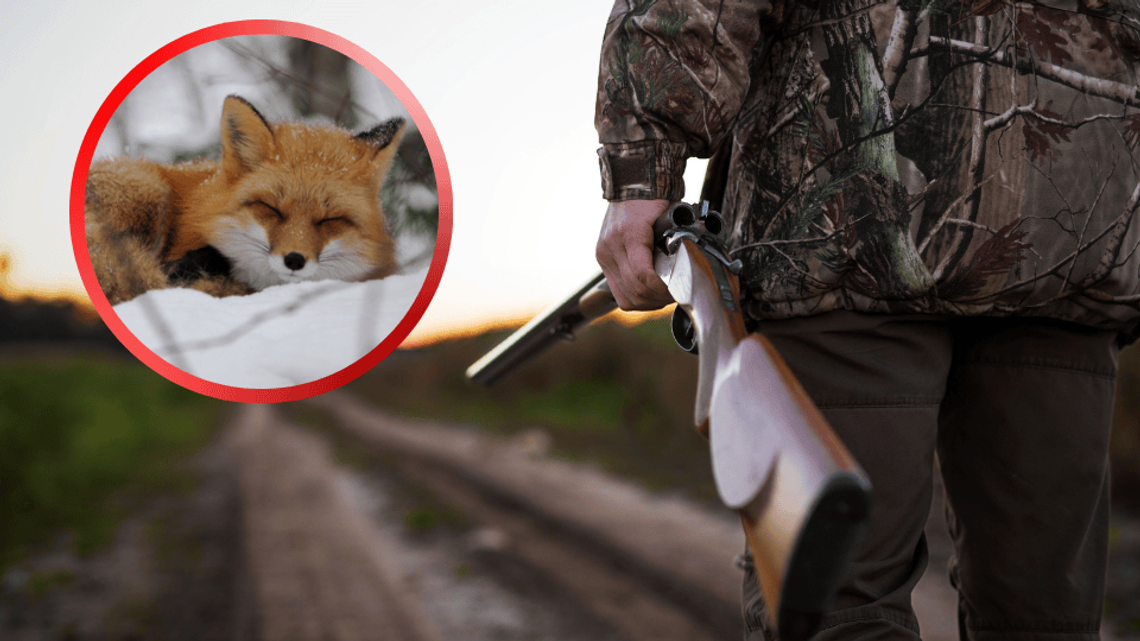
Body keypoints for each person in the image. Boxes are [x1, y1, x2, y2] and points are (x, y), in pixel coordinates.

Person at [593, 1, 1140, 639]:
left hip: (844, 229)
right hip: (1082, 224)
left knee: (837, 610)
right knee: (1045, 619)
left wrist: (641, 167)